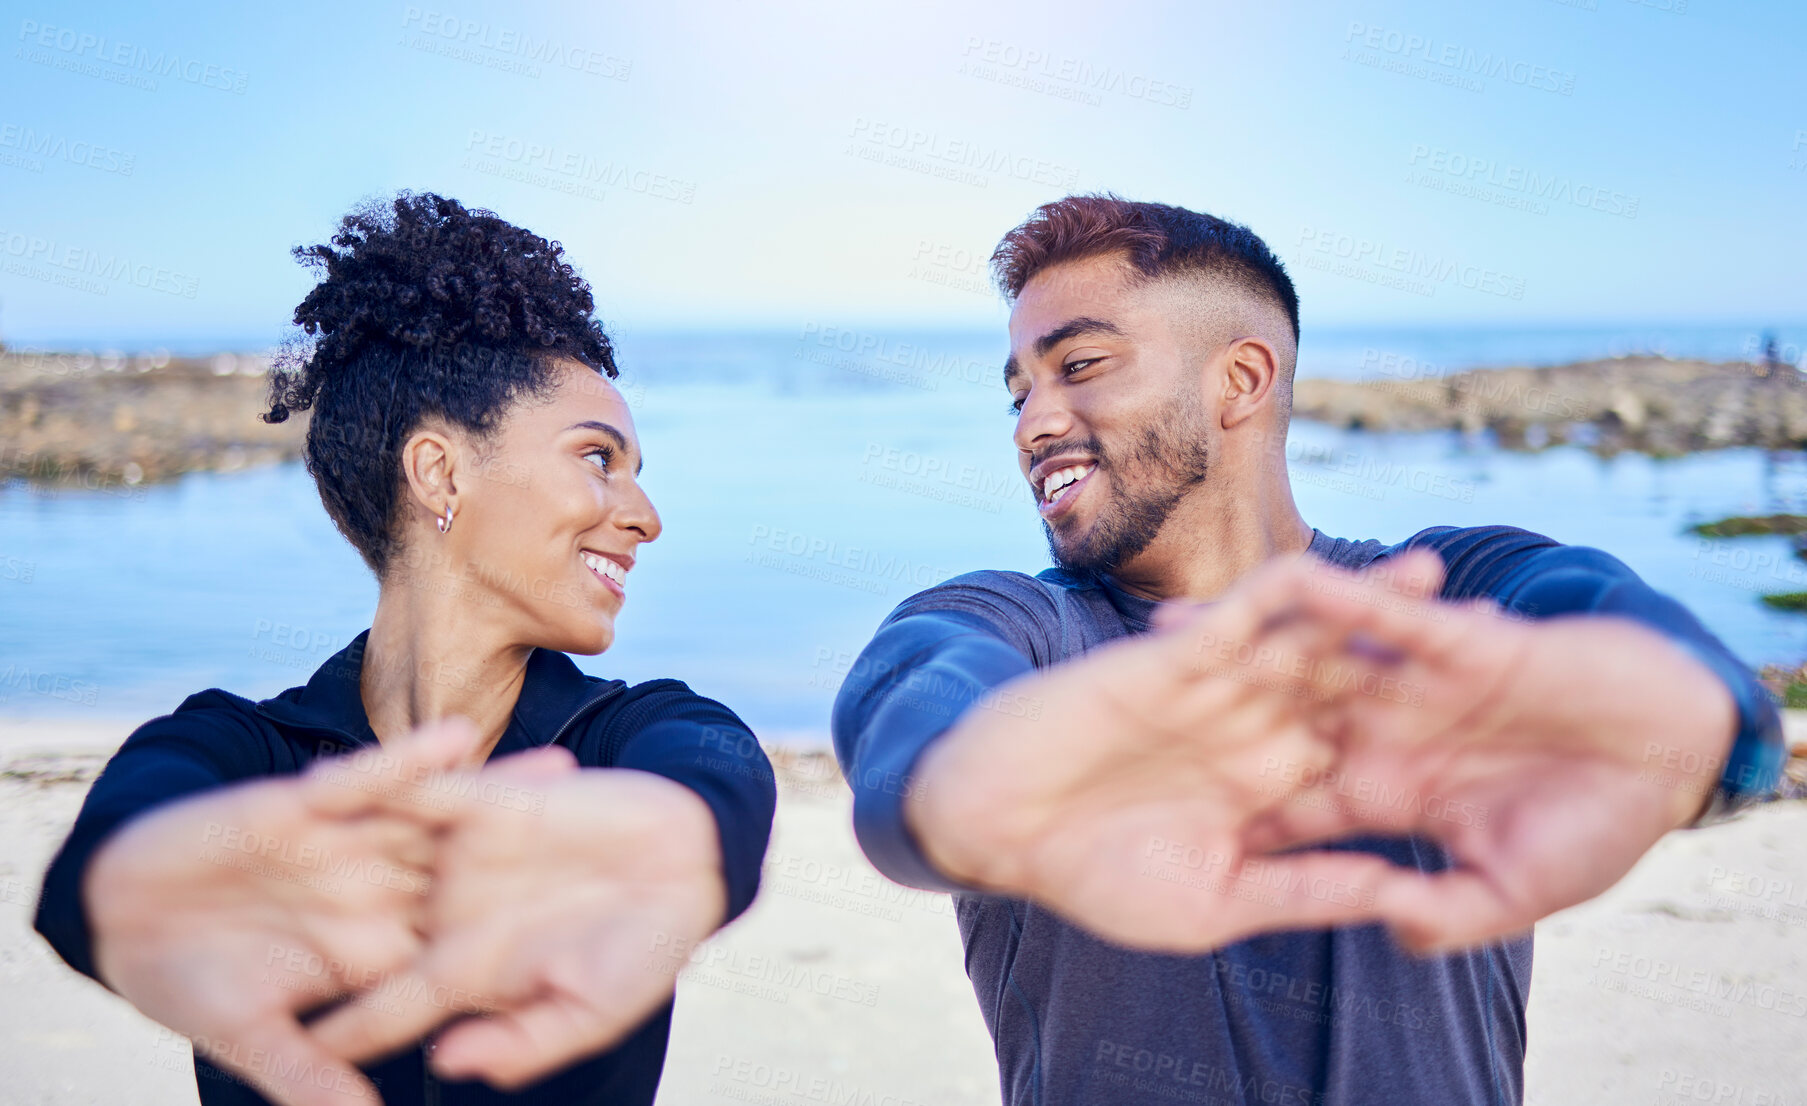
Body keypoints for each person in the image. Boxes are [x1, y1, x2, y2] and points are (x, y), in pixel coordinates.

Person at [830, 195, 1785, 1105]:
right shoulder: (1012, 626)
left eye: (1077, 366)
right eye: (1018, 393)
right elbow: (909, 727)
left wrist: (1677, 734)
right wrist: (973, 794)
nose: (1032, 424)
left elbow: (1718, 715)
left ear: (1240, 379)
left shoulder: (1455, 589)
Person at [32, 192, 777, 1106]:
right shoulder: (233, 752)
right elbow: (107, 852)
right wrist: (119, 892)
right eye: (597, 457)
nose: (645, 517)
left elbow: (715, 775)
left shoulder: (633, 736)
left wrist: (686, 842)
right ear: (441, 471)